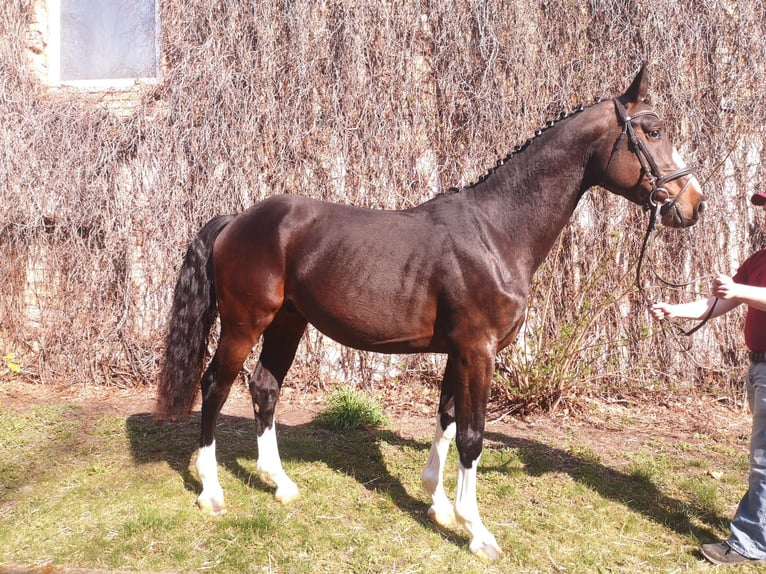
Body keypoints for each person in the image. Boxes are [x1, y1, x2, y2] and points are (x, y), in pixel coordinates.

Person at [650, 192, 766, 566]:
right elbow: (720, 302)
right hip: (759, 369)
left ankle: (751, 543)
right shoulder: (758, 260)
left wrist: (740, 291)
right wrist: (676, 310)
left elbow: (740, 294)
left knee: (764, 460)